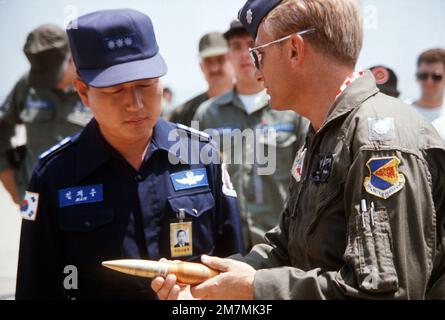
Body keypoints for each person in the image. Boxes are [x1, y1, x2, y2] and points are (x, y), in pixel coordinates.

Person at [152, 0, 445, 300]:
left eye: (259, 53)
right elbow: (288, 249)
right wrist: (204, 278)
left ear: (294, 49)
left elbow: (384, 293)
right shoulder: (326, 132)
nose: (256, 70)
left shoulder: (377, 142)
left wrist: (256, 288)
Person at [16, 9, 244, 300]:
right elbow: (36, 287)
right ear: (83, 93)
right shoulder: (53, 176)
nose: (135, 103)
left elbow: (233, 268)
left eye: (145, 85)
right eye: (116, 90)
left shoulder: (200, 154)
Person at [193, 20, 308, 249]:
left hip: (283, 247)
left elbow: (309, 184)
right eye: (236, 46)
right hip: (226, 247)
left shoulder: (292, 110)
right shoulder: (207, 115)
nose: (245, 53)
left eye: (251, 44)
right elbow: (196, 184)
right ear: (228, 54)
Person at [0, 24, 92, 205]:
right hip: (33, 199)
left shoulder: (97, 86)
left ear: (72, 55)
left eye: (53, 75)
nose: (48, 82)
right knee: (31, 233)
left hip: (85, 198)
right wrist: (15, 191)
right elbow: (2, 130)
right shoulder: (26, 85)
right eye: (42, 75)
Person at [168, 32, 233, 126]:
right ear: (201, 67)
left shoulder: (249, 105)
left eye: (220, 59)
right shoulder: (183, 114)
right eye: (208, 61)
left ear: (232, 60)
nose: (214, 68)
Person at [410, 48, 445, 139]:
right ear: (416, 77)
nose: (429, 82)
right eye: (423, 76)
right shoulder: (402, 111)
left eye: (436, 77)